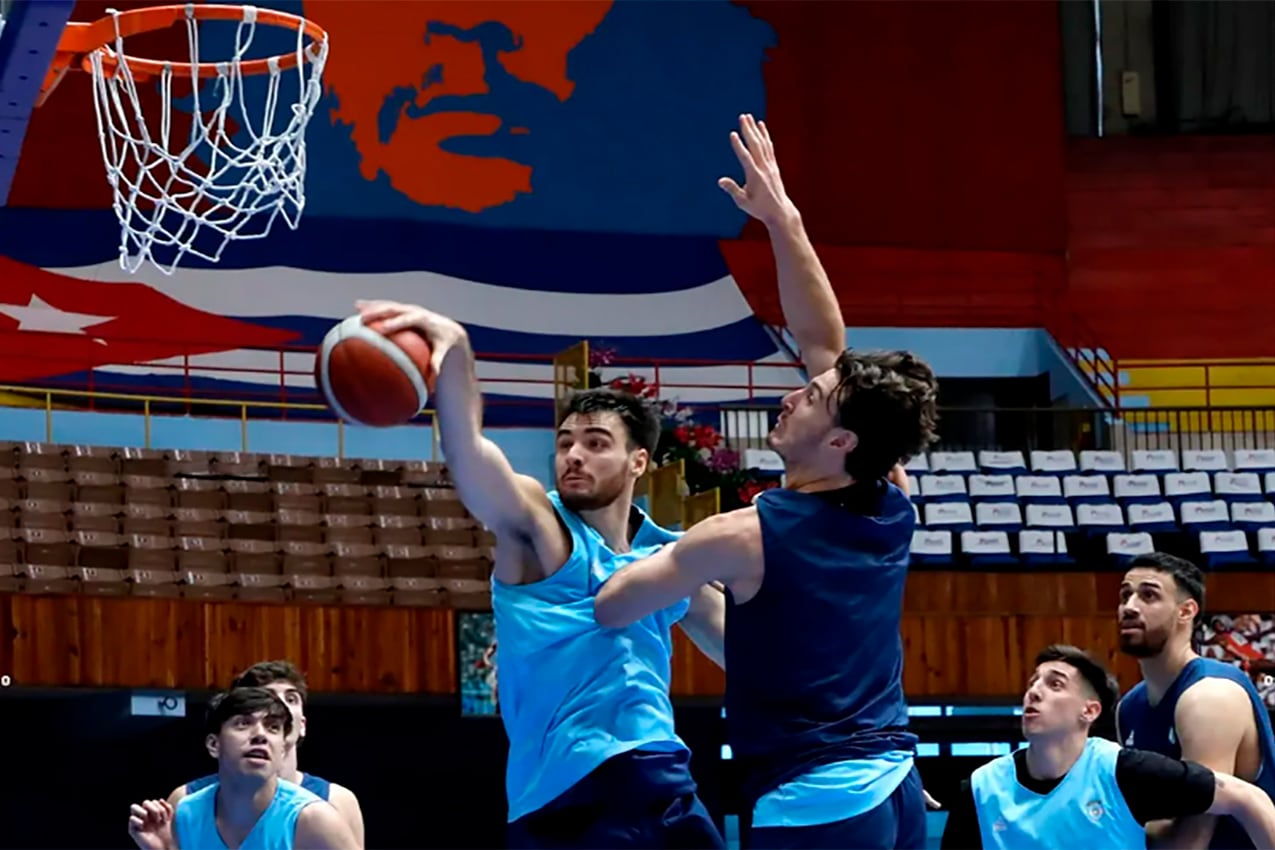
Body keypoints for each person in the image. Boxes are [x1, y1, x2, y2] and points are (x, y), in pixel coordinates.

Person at [594, 113, 936, 849]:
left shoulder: (740, 536)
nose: (790, 392)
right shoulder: (891, 501)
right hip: (893, 794)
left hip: (815, 805)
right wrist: (783, 220)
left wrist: (646, 554)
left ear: (840, 440)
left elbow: (613, 606)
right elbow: (822, 343)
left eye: (808, 398)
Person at [352, 296, 728, 848]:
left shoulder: (672, 556)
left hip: (658, 773)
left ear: (639, 462)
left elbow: (751, 657)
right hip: (565, 794)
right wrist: (455, 353)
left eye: (596, 444)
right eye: (565, 443)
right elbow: (467, 452)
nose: (574, 455)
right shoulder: (540, 527)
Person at [939, 645, 1275, 850]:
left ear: (1089, 711)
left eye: (1054, 684)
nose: (1034, 692)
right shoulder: (981, 789)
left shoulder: (1123, 773)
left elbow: (1248, 797)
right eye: (1032, 683)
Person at [1116, 552, 1275, 849]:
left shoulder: (1209, 697)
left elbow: (1191, 842)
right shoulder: (1129, 707)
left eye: (1148, 596)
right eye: (1125, 596)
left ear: (1186, 612)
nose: (1130, 607)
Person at [128, 687, 359, 850]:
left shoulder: (313, 820)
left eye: (273, 727)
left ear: (281, 751)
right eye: (244, 723)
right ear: (213, 744)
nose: (260, 734)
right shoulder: (185, 814)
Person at [166, 661, 366, 847]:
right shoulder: (186, 803)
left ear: (302, 725)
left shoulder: (329, 805)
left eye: (290, 699)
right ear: (214, 742)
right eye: (246, 721)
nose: (280, 705)